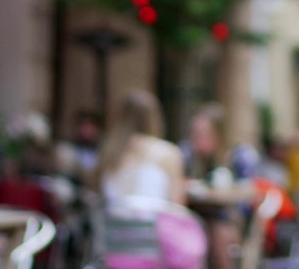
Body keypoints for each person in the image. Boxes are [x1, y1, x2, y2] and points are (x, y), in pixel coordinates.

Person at [179, 104, 259, 269]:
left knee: (218, 233)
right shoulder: (186, 155)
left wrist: (218, 193)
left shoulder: (239, 156)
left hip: (227, 219)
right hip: (192, 216)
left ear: (219, 135)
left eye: (204, 134)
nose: (197, 140)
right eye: (195, 134)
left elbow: (248, 192)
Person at [99, 90, 187, 206]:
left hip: (110, 223)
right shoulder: (167, 152)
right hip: (153, 222)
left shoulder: (109, 152)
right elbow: (177, 204)